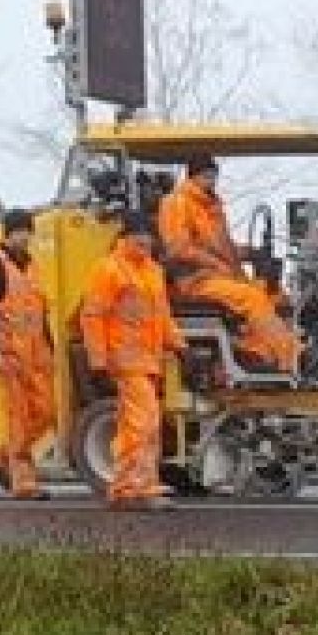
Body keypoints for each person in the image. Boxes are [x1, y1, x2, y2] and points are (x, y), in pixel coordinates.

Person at [79, 212, 186, 511]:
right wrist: (98, 360)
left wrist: (178, 344)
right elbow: (93, 315)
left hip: (148, 360)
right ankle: (135, 488)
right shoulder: (110, 269)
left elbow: (161, 315)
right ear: (125, 236)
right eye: (139, 234)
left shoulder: (152, 270)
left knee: (139, 424)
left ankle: (133, 486)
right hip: (125, 360)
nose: (146, 240)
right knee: (144, 421)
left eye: (149, 235)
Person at [157, 153, 300, 372]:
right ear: (193, 176)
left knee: (271, 293)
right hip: (193, 280)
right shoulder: (176, 203)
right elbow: (178, 249)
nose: (212, 180)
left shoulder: (211, 207)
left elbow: (224, 248)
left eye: (214, 175)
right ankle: (284, 360)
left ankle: (265, 350)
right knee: (250, 297)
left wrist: (252, 253)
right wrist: (214, 264)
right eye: (207, 175)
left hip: (219, 276)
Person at [0, 209, 52, 501]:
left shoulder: (31, 265)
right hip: (9, 354)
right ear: (8, 233)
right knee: (18, 417)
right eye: (21, 231)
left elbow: (39, 311)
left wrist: (50, 348)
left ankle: (0, 454)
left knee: (46, 412)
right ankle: (23, 483)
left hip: (35, 355)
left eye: (29, 231)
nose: (27, 236)